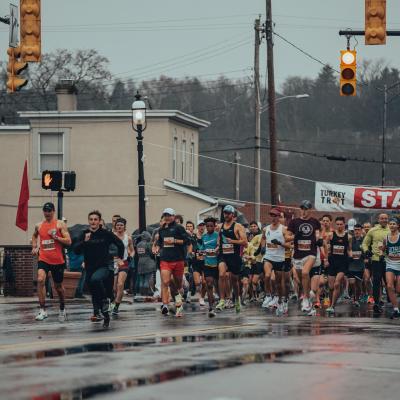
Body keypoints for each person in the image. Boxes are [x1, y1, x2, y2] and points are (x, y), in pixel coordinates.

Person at [74, 210, 125, 328]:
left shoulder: (105, 233)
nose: (93, 222)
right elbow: (76, 250)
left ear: (99, 221)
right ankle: (104, 314)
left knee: (95, 280)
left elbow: (120, 244)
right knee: (93, 290)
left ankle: (104, 302)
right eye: (91, 219)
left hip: (104, 266)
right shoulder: (85, 234)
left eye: (95, 219)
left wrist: (120, 258)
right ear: (88, 221)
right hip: (89, 267)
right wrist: (84, 241)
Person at [32, 202, 72, 322]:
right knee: (40, 279)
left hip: (57, 260)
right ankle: (43, 310)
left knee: (58, 287)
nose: (47, 213)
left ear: (53, 211)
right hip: (43, 258)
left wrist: (57, 238)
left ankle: (62, 308)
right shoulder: (39, 225)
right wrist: (34, 247)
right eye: (45, 211)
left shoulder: (60, 224)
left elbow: (69, 241)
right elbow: (34, 236)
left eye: (49, 211)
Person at [154, 208, 191, 317]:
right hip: (165, 260)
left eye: (169, 215)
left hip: (178, 260)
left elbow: (187, 241)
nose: (167, 217)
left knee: (177, 285)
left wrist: (175, 241)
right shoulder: (161, 230)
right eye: (165, 215)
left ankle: (179, 303)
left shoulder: (179, 228)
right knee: (166, 281)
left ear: (173, 216)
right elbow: (159, 243)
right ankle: (165, 305)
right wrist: (156, 248)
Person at [287, 200, 321, 313]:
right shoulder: (293, 222)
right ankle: (307, 297)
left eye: (306, 209)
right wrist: (296, 236)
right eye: (302, 208)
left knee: (306, 273)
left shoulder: (315, 222)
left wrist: (319, 239)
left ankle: (306, 299)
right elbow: (287, 238)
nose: (304, 211)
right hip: (297, 255)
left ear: (310, 210)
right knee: (302, 280)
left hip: (311, 252)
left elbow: (317, 234)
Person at [216, 205, 248, 313]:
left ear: (233, 215)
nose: (226, 215)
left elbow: (245, 242)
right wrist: (217, 247)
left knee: (234, 281)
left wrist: (232, 241)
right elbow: (219, 240)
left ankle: (237, 300)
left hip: (234, 256)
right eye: (225, 213)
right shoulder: (220, 226)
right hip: (223, 255)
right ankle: (222, 300)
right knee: (221, 274)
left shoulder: (238, 226)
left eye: (228, 213)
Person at [261, 208, 291, 316]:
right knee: (268, 275)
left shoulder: (284, 229)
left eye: (275, 216)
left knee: (279, 283)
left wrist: (279, 243)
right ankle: (268, 295)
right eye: (272, 216)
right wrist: (262, 247)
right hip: (268, 257)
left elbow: (289, 245)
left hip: (279, 258)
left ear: (279, 217)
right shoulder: (266, 229)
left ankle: (280, 299)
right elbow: (263, 238)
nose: (273, 218)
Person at [362, 213, 390, 313]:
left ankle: (391, 301)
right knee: (377, 281)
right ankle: (376, 303)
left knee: (389, 283)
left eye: (386, 218)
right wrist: (366, 251)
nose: (384, 220)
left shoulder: (392, 229)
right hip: (376, 259)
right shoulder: (373, 230)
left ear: (388, 219)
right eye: (382, 218)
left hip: (389, 260)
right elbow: (365, 243)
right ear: (378, 219)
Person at [325, 216, 352, 314]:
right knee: (331, 287)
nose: (339, 226)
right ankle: (331, 303)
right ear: (335, 225)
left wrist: (351, 255)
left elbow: (349, 249)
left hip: (343, 263)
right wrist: (326, 259)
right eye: (338, 224)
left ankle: (332, 306)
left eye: (341, 224)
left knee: (337, 283)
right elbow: (325, 245)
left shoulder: (348, 237)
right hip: (332, 262)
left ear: (344, 224)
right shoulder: (331, 235)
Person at [111, 218, 134, 315]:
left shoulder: (127, 238)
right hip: (113, 262)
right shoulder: (111, 237)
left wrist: (130, 257)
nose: (119, 227)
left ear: (124, 226)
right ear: (115, 227)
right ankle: (111, 303)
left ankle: (116, 306)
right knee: (113, 288)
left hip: (124, 262)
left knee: (120, 284)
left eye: (121, 225)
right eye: (117, 225)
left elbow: (132, 250)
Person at [199, 217, 220, 317]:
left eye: (211, 226)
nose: (209, 227)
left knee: (217, 285)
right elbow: (202, 248)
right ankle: (211, 307)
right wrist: (201, 252)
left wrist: (216, 249)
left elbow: (221, 245)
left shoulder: (218, 235)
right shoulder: (204, 237)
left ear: (214, 226)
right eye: (207, 226)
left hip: (217, 263)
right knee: (209, 284)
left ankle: (221, 300)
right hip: (207, 263)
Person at [382, 217, 400, 319]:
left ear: (398, 225)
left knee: (398, 289)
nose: (392, 225)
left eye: (394, 224)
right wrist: (381, 251)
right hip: (390, 263)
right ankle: (396, 309)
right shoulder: (386, 238)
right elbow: (384, 249)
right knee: (389, 286)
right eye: (390, 224)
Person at [347, 223, 365, 307]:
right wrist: (349, 253)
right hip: (351, 265)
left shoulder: (364, 240)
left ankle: (357, 298)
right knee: (352, 283)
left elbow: (367, 250)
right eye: (355, 230)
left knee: (358, 285)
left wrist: (365, 257)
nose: (357, 231)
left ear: (361, 230)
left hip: (360, 266)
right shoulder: (350, 239)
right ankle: (354, 297)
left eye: (358, 230)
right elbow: (347, 249)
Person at [136, 231, 156, 296]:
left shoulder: (138, 244)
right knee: (147, 279)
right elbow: (151, 253)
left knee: (141, 279)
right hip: (148, 262)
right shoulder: (148, 244)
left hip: (140, 262)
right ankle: (146, 293)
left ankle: (141, 293)